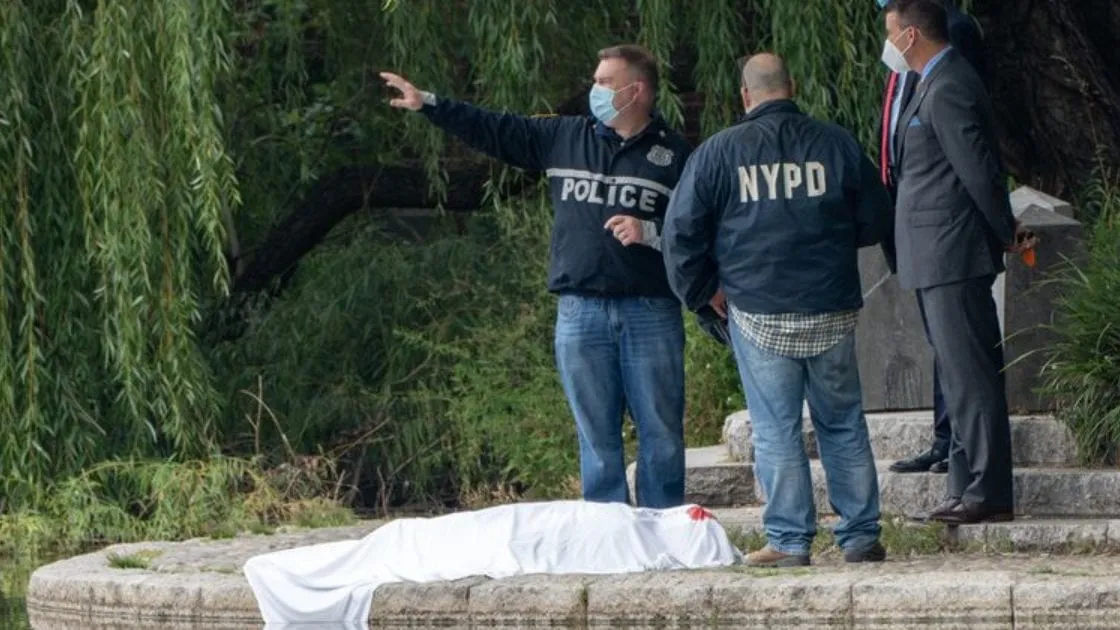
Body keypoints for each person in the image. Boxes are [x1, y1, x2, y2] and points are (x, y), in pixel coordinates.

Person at [380, 44, 693, 509]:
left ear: (636, 90)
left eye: (605, 83)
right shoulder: (564, 137)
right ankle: (607, 532)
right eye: (595, 81)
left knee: (661, 429)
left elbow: (697, 232)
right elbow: (495, 129)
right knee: (596, 434)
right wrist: (430, 103)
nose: (595, 90)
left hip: (650, 309)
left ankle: (666, 528)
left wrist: (651, 231)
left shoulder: (678, 155)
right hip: (580, 311)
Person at [662, 53, 892, 566]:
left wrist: (704, 293)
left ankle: (789, 541)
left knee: (776, 428)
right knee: (843, 423)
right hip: (831, 306)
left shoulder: (719, 152)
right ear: (792, 86)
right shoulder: (836, 143)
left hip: (758, 309)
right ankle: (859, 537)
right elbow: (875, 218)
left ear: (745, 96)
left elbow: (680, 234)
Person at [878, 0, 1037, 524]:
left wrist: (1005, 231)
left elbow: (979, 171)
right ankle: (963, 483)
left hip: (953, 252)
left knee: (971, 376)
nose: (887, 45)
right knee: (956, 373)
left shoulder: (950, 85)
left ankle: (988, 490)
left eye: (891, 33)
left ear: (911, 35)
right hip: (935, 254)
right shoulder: (930, 81)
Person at [876, 0, 988, 475]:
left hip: (943, 222)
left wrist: (1000, 227)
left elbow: (966, 142)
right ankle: (948, 439)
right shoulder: (904, 45)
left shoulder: (950, 37)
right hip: (912, 207)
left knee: (958, 349)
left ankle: (957, 446)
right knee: (942, 339)